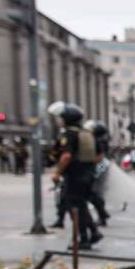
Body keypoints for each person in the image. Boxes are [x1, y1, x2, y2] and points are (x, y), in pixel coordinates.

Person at [47, 102, 101, 250]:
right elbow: (98, 155)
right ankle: (93, 232)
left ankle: (83, 238)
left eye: (60, 118)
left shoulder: (69, 134)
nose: (59, 121)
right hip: (88, 174)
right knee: (81, 205)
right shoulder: (87, 133)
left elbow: (66, 156)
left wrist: (57, 173)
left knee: (75, 208)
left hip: (74, 176)